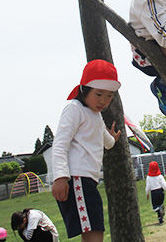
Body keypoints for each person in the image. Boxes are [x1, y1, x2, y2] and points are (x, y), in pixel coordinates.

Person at [52, 59, 122, 241]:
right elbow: (60, 144)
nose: (103, 101)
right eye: (99, 94)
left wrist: (112, 138)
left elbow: (106, 142)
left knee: (95, 230)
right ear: (84, 89)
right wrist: (60, 177)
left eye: (109, 96)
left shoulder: (96, 115)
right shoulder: (74, 109)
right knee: (94, 232)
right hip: (77, 179)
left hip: (88, 181)